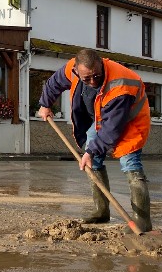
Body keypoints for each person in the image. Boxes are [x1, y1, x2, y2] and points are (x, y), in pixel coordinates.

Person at [37, 49, 152, 232]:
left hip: (129, 121)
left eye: (97, 76)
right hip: (100, 119)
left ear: (101, 64)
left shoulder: (120, 84)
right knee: (93, 162)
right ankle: (101, 212)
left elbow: (112, 128)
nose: (92, 82)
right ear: (76, 71)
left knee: (130, 163)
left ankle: (142, 221)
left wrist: (90, 152)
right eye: (86, 79)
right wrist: (45, 104)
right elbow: (54, 83)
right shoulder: (72, 68)